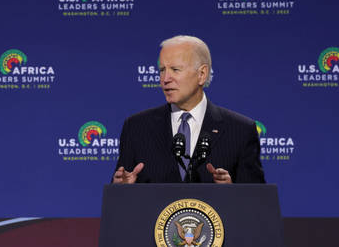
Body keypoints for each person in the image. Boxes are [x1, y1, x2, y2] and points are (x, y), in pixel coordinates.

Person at [113, 35, 265, 184]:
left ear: (202, 74)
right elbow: (118, 202)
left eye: (175, 69)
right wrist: (122, 189)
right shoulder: (137, 127)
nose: (165, 79)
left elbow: (256, 203)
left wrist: (232, 193)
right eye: (162, 70)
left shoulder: (240, 130)